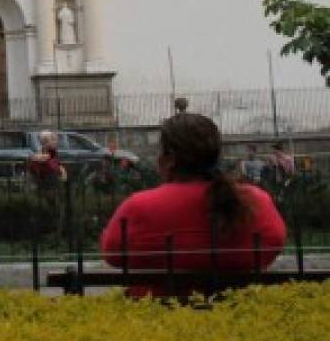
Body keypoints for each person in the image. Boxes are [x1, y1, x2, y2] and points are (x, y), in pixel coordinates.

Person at [101, 112, 286, 297]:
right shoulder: (256, 201)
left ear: (169, 158)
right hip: (240, 314)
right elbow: (275, 244)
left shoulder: (138, 206)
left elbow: (113, 255)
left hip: (156, 316)